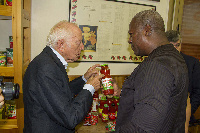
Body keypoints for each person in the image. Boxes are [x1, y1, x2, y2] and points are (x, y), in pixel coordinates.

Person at [114, 10, 189, 132]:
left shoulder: (156, 65)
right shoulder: (174, 57)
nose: (129, 40)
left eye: (131, 34)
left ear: (147, 30)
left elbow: (143, 128)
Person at [23, 20, 104, 133]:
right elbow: (71, 117)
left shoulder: (48, 60)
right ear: (61, 45)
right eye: (78, 42)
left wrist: (84, 78)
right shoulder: (46, 67)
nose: (82, 47)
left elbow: (60, 92)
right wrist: (90, 88)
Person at [166, 30, 200, 129]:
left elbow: (198, 91)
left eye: (177, 45)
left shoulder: (192, 63)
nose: (175, 49)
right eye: (171, 46)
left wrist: (186, 113)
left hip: (184, 115)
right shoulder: (157, 62)